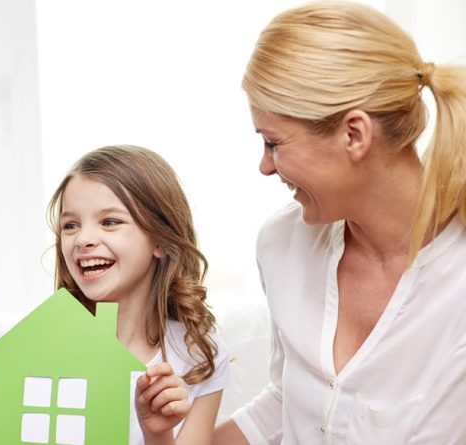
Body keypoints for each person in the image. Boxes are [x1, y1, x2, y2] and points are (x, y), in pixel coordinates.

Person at [213, 2, 466, 444]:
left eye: (273, 142)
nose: (265, 167)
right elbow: (289, 399)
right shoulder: (281, 245)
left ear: (354, 134)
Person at [47, 145, 230, 445]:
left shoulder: (198, 356)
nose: (83, 239)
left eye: (109, 222)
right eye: (70, 225)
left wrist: (157, 434)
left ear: (159, 241)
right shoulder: (45, 343)